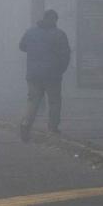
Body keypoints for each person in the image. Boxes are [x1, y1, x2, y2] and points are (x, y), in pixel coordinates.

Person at [19, 9, 71, 141]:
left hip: (33, 74)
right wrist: (61, 70)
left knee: (33, 100)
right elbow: (65, 55)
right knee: (54, 101)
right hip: (52, 74)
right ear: (55, 20)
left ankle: (25, 124)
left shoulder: (31, 32)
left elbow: (22, 46)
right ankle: (53, 127)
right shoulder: (59, 34)